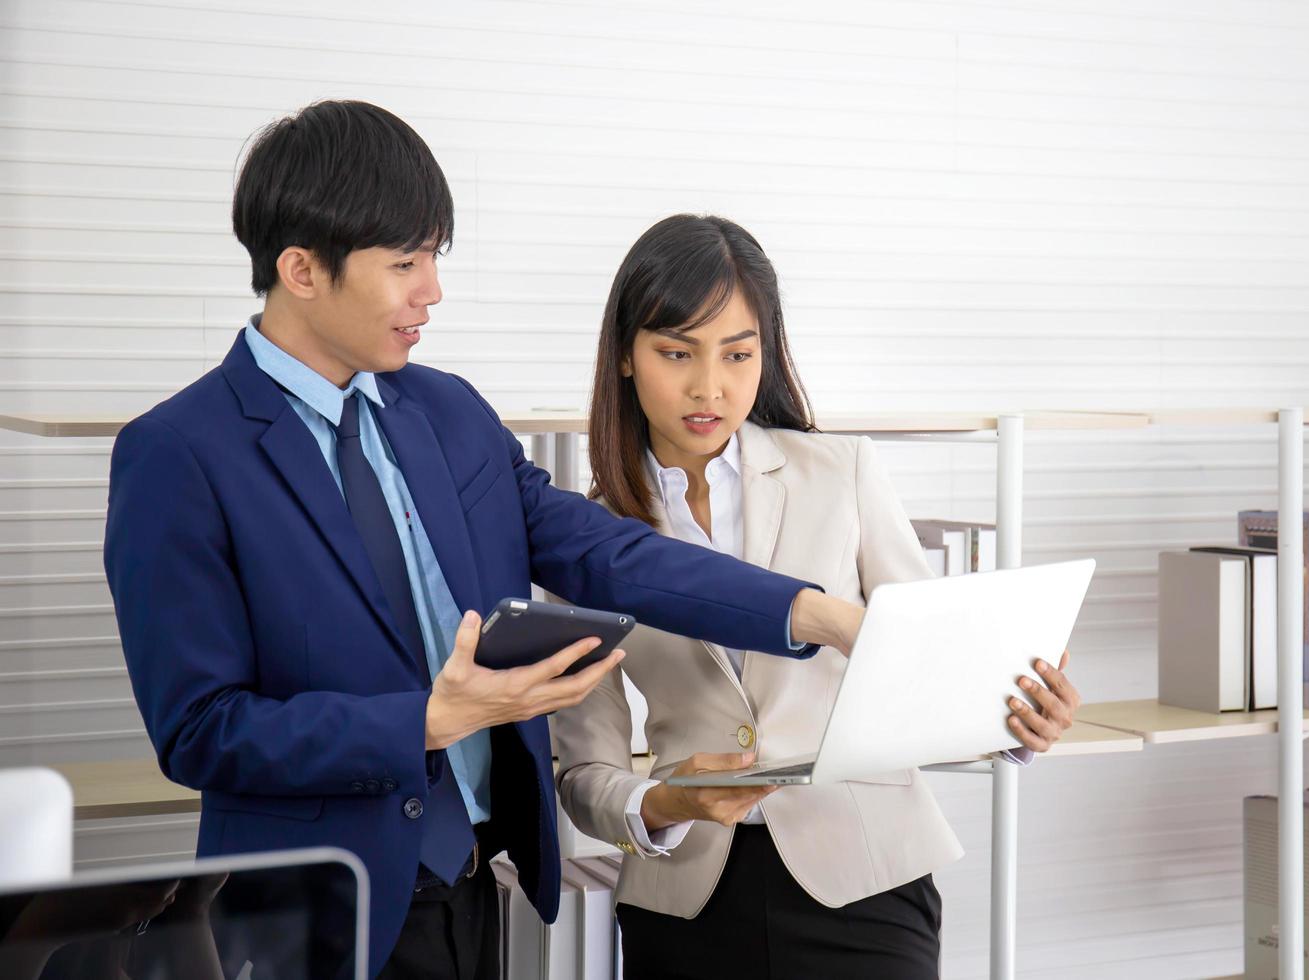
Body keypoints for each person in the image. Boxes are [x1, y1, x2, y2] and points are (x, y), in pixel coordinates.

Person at [102, 103, 869, 980]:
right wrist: (430, 720)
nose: (431, 290)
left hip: (473, 887)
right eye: (405, 264)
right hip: (312, 915)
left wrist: (819, 614)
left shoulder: (450, 413)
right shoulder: (179, 454)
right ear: (302, 269)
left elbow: (607, 553)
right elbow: (202, 730)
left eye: (435, 258)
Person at [551, 214, 1083, 979]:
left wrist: (1018, 722)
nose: (711, 387)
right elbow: (584, 775)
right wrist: (667, 802)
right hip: (688, 897)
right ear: (627, 357)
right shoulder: (587, 537)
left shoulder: (840, 473)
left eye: (739, 354)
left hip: (862, 875)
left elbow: (927, 664)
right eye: (677, 353)